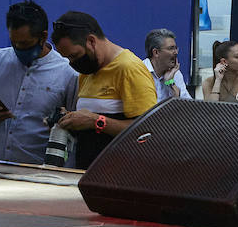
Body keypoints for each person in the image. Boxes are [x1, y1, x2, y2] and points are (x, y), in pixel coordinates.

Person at [0, 1, 78, 165]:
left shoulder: (68, 73)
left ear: (43, 37)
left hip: (39, 175)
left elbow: (75, 134)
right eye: (13, 42)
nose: (18, 48)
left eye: (25, 44)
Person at [51, 11, 158, 168]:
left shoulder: (129, 68)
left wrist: (97, 122)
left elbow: (148, 131)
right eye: (67, 58)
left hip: (121, 176)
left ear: (91, 41)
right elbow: (89, 122)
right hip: (87, 172)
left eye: (74, 55)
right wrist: (70, 119)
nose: (72, 63)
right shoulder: (87, 71)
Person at [143, 29, 189, 101]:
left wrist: (170, 82)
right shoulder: (140, 71)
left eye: (176, 48)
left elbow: (187, 106)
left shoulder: (175, 73)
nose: (176, 52)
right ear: (156, 52)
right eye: (171, 48)